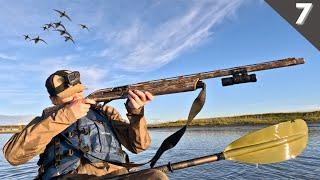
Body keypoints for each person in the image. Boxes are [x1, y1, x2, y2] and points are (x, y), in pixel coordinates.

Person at [3, 70, 168, 180]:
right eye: (68, 95)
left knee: (156, 177)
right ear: (53, 99)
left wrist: (136, 113)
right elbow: (14, 156)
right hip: (70, 177)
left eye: (79, 91)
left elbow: (139, 146)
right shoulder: (46, 120)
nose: (76, 97)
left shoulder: (106, 112)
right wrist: (67, 115)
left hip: (118, 175)